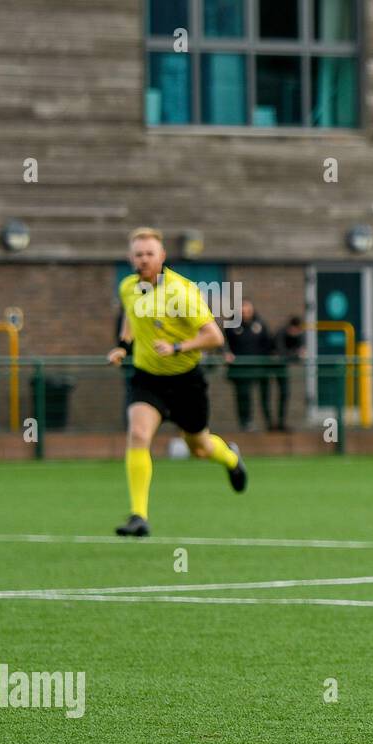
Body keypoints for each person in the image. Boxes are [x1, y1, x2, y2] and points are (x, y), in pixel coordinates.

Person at [106, 228, 247, 536]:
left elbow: (214, 336)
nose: (143, 259)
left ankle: (231, 459)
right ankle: (138, 516)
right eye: (138, 254)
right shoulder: (128, 287)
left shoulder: (180, 292)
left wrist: (177, 348)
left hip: (185, 381)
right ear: (131, 257)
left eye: (149, 254)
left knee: (199, 448)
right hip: (147, 378)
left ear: (162, 257)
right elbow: (131, 316)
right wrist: (123, 346)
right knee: (139, 434)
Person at [223, 299, 275, 430]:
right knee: (243, 396)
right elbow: (222, 343)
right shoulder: (231, 326)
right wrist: (226, 353)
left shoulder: (260, 324)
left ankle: (269, 423)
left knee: (265, 396)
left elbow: (268, 344)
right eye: (242, 310)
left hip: (260, 367)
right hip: (240, 369)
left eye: (248, 309)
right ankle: (245, 423)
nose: (245, 312)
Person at [268, 315, 306, 431]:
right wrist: (294, 354)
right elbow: (281, 353)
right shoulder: (281, 333)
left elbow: (299, 353)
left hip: (282, 368)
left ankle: (281, 422)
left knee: (285, 393)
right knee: (267, 395)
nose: (296, 332)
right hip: (268, 367)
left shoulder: (300, 335)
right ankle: (270, 423)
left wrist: (292, 355)